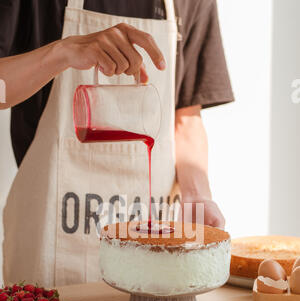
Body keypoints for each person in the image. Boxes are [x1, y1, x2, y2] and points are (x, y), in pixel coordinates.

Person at [0, 0, 234, 286]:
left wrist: (198, 196)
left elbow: (186, 116)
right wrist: (62, 52)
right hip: (50, 250)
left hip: (153, 248)